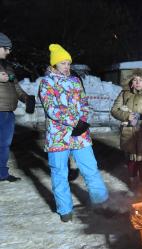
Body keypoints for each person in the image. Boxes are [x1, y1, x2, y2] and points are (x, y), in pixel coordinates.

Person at [38, 44, 109, 222]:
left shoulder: (76, 81)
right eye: (62, 63)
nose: (67, 67)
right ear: (54, 65)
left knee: (91, 169)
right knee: (59, 173)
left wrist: (83, 121)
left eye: (68, 63)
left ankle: (101, 204)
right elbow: (51, 109)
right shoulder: (46, 83)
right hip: (58, 136)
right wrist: (74, 122)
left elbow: (84, 103)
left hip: (80, 135)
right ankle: (64, 209)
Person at [111, 68, 142, 189]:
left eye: (140, 80)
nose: (137, 82)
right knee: (132, 158)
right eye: (135, 80)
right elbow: (114, 110)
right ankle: (133, 181)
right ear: (131, 82)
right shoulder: (124, 94)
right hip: (129, 131)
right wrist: (126, 115)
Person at [0, 32, 35, 182]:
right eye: (6, 48)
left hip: (8, 111)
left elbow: (15, 86)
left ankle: (2, 174)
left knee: (5, 144)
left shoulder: (7, 66)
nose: (8, 52)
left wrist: (26, 98)